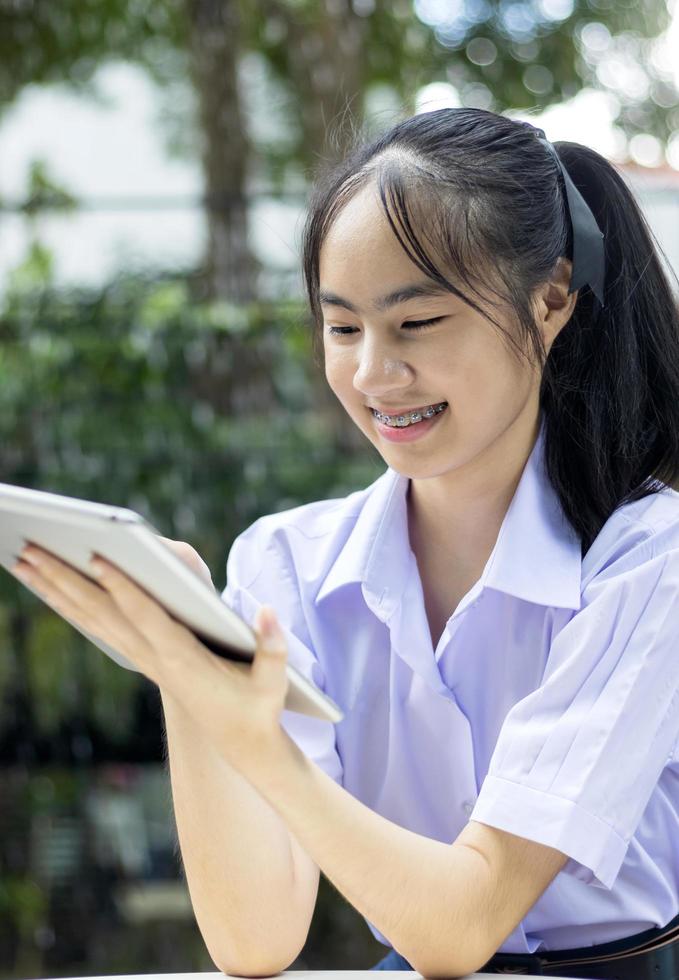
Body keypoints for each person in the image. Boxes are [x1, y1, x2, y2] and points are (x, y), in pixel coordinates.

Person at [14, 107, 679, 978]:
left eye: (416, 324)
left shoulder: (648, 560)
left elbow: (461, 923)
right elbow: (255, 942)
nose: (371, 374)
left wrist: (255, 741)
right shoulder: (286, 561)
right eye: (341, 328)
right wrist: (186, 670)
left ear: (551, 299)